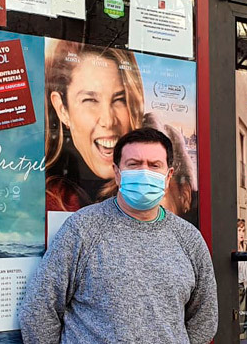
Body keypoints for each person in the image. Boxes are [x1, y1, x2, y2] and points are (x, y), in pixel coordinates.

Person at [20, 127, 217, 344]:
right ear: (117, 172)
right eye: (134, 164)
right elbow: (39, 310)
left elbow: (204, 319)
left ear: (169, 175)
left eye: (154, 165)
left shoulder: (188, 238)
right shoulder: (83, 229)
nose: (144, 172)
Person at [44, 41, 145, 211]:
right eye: (90, 100)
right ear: (62, 109)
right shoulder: (43, 201)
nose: (108, 120)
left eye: (120, 99)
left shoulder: (152, 187)